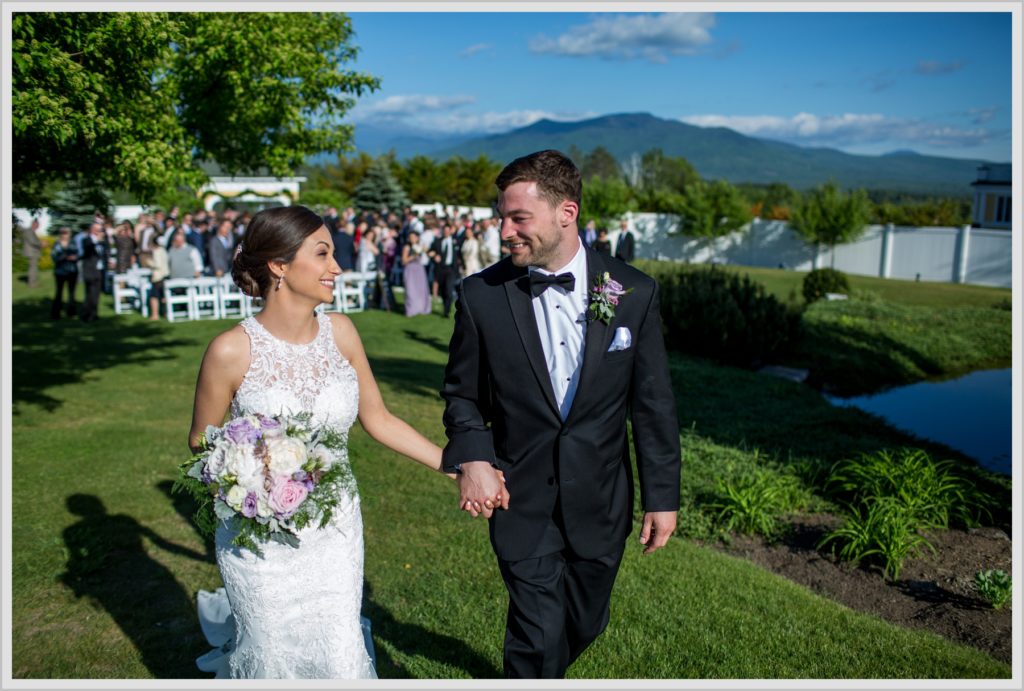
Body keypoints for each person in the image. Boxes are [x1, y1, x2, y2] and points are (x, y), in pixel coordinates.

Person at [188, 205, 479, 679]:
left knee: (340, 651)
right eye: (322, 254)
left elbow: (379, 418)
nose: (337, 268)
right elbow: (201, 439)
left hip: (337, 531)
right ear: (280, 266)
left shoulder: (341, 332)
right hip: (260, 538)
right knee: (272, 653)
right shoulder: (230, 349)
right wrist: (255, 473)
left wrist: (455, 466)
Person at [440, 150, 680, 679]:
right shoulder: (482, 295)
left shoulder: (632, 292)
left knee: (586, 623)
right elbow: (460, 395)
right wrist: (473, 457)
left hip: (601, 499)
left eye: (518, 218)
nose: (504, 230)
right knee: (537, 635)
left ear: (565, 213)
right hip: (521, 497)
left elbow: (653, 403)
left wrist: (662, 496)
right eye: (502, 217)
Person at [428, 223, 461, 318]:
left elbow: (460, 254)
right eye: (445, 231)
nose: (446, 232)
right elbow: (430, 251)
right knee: (443, 291)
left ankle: (446, 311)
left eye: (448, 231)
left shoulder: (455, 241)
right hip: (440, 269)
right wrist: (434, 256)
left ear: (451, 231)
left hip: (451, 269)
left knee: (448, 290)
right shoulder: (437, 241)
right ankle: (445, 307)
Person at [79, 222, 108, 323]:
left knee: (96, 294)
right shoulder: (87, 240)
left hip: (99, 271)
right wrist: (97, 240)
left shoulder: (101, 242)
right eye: (98, 230)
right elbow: (88, 248)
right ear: (93, 230)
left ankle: (94, 314)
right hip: (90, 271)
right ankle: (87, 315)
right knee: (90, 294)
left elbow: (103, 253)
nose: (100, 232)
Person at [400, 229, 432, 317]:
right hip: (410, 270)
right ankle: (411, 310)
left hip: (419, 269)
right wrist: (413, 255)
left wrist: (428, 251)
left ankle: (422, 308)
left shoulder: (420, 245)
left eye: (414, 237)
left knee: (421, 290)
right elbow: (404, 261)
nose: (412, 239)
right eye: (411, 237)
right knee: (411, 290)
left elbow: (429, 252)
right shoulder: (407, 247)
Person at [50, 227, 79, 319]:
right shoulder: (57, 244)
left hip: (72, 271)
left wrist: (75, 258)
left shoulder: (73, 243)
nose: (65, 235)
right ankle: (56, 313)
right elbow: (54, 257)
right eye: (63, 233)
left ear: (69, 234)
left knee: (72, 293)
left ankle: (71, 312)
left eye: (66, 233)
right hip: (60, 272)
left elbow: (78, 254)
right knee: (59, 292)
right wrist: (63, 257)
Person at [20, 217, 43, 288]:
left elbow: (33, 241)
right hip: (32, 252)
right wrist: (41, 244)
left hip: (33, 252)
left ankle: (33, 282)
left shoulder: (31, 231)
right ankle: (32, 284)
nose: (38, 226)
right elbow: (33, 241)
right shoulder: (29, 231)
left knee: (33, 267)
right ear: (34, 224)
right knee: (33, 268)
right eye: (38, 225)